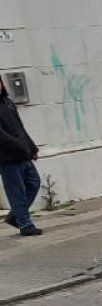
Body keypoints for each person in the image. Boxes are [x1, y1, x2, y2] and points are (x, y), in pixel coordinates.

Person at [0, 76, 41, 236]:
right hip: (7, 158)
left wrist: (31, 147)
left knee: (34, 182)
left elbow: (20, 128)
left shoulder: (8, 103)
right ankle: (25, 224)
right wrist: (18, 145)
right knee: (16, 191)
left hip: (23, 153)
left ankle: (16, 216)